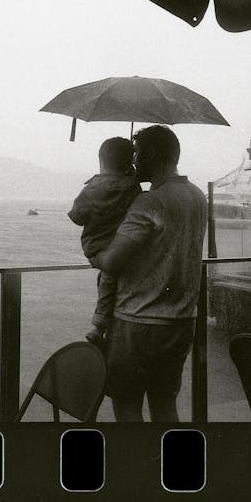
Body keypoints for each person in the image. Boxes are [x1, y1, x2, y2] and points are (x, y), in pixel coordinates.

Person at [89, 125, 207, 423]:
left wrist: (93, 251)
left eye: (138, 153)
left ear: (153, 154)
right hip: (181, 322)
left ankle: (137, 468)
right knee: (165, 406)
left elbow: (113, 260)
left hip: (138, 323)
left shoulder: (150, 201)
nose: (133, 161)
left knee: (128, 408)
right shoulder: (197, 197)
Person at [68, 137, 141, 346]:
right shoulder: (133, 187)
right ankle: (101, 326)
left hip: (96, 248)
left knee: (107, 279)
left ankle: (99, 326)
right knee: (109, 280)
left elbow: (77, 216)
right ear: (131, 162)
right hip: (124, 247)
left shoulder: (91, 188)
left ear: (101, 161)